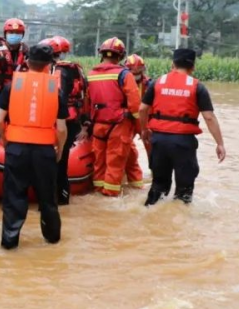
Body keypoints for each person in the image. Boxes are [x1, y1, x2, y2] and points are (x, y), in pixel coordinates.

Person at [0, 43, 67, 249]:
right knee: (48, 199)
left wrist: (6, 139)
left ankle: (9, 243)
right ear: (49, 64)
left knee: (13, 198)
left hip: (16, 149)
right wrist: (59, 149)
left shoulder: (12, 86)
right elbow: (61, 129)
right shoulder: (56, 89)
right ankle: (52, 240)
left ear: (27, 62)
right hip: (44, 151)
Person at [140, 48, 226, 206]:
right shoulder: (197, 87)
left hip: (159, 140)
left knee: (158, 186)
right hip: (183, 143)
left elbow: (142, 109)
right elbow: (209, 117)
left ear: (172, 63)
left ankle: (150, 216)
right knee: (184, 190)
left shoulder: (157, 83)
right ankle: (180, 221)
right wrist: (219, 143)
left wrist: (144, 129)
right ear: (193, 66)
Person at [86, 37, 142, 197]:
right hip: (119, 125)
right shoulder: (124, 74)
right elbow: (134, 104)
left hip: (98, 125)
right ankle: (110, 197)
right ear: (121, 56)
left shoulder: (91, 75)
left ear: (102, 54)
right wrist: (139, 128)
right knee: (115, 163)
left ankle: (98, 192)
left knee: (99, 162)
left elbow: (87, 102)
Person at [47, 36, 89, 205]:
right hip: (74, 120)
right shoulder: (76, 69)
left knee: (59, 162)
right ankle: (62, 200)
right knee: (61, 162)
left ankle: (60, 200)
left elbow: (58, 98)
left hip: (61, 121)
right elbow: (85, 97)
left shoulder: (58, 71)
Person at [123, 53, 149, 188]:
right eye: (134, 72)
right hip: (127, 118)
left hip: (143, 118)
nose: (137, 74)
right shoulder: (121, 79)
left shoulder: (148, 83)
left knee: (150, 145)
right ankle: (126, 175)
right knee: (124, 146)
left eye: (139, 72)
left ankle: (154, 170)